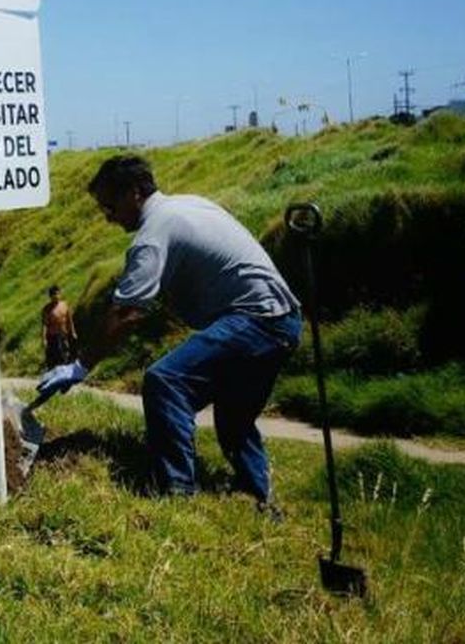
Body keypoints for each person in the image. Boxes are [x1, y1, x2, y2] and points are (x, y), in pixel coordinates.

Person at [37, 155, 301, 509]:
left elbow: (126, 314)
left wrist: (79, 366)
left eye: (109, 205)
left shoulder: (153, 235)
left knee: (166, 382)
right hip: (285, 319)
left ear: (134, 193)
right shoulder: (188, 204)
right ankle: (261, 500)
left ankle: (178, 497)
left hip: (256, 319)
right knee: (234, 419)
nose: (108, 216)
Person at [41, 285, 76, 369]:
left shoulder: (64, 305)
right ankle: (52, 372)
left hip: (64, 334)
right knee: (53, 357)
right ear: (50, 296)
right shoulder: (47, 309)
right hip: (52, 336)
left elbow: (69, 320)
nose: (56, 296)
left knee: (65, 354)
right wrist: (44, 338)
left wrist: (73, 332)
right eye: (54, 295)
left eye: (57, 294)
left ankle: (65, 371)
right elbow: (45, 325)